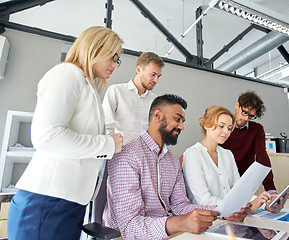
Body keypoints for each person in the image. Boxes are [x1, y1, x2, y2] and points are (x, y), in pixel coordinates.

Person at [7, 26, 124, 240]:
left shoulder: (87, 85)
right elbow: (47, 136)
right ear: (95, 48)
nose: (115, 64)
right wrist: (107, 145)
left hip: (67, 202)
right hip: (47, 201)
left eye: (118, 59)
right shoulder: (67, 73)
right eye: (113, 56)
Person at [102, 94, 251, 240]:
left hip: (167, 232)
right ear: (157, 116)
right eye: (177, 119)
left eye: (182, 121)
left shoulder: (172, 160)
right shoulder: (127, 156)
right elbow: (130, 226)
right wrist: (179, 223)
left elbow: (180, 206)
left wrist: (222, 211)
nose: (182, 127)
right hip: (125, 236)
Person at [182, 105, 287, 213]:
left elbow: (239, 191)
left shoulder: (227, 154)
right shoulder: (192, 155)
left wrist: (264, 203)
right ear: (206, 125)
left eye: (229, 128)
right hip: (207, 219)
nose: (226, 132)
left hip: (232, 216)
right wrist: (248, 205)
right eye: (221, 126)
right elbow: (204, 200)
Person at [102, 52, 164, 145]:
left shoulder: (155, 100)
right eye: (153, 75)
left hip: (146, 155)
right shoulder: (116, 91)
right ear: (139, 69)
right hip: (120, 153)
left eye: (158, 76)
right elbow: (106, 126)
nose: (156, 80)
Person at [221, 91, 277, 192]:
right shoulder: (223, 126)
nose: (246, 118)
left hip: (244, 180)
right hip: (222, 179)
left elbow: (262, 156)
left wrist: (271, 189)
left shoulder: (257, 129)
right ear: (237, 105)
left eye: (251, 116)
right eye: (244, 112)